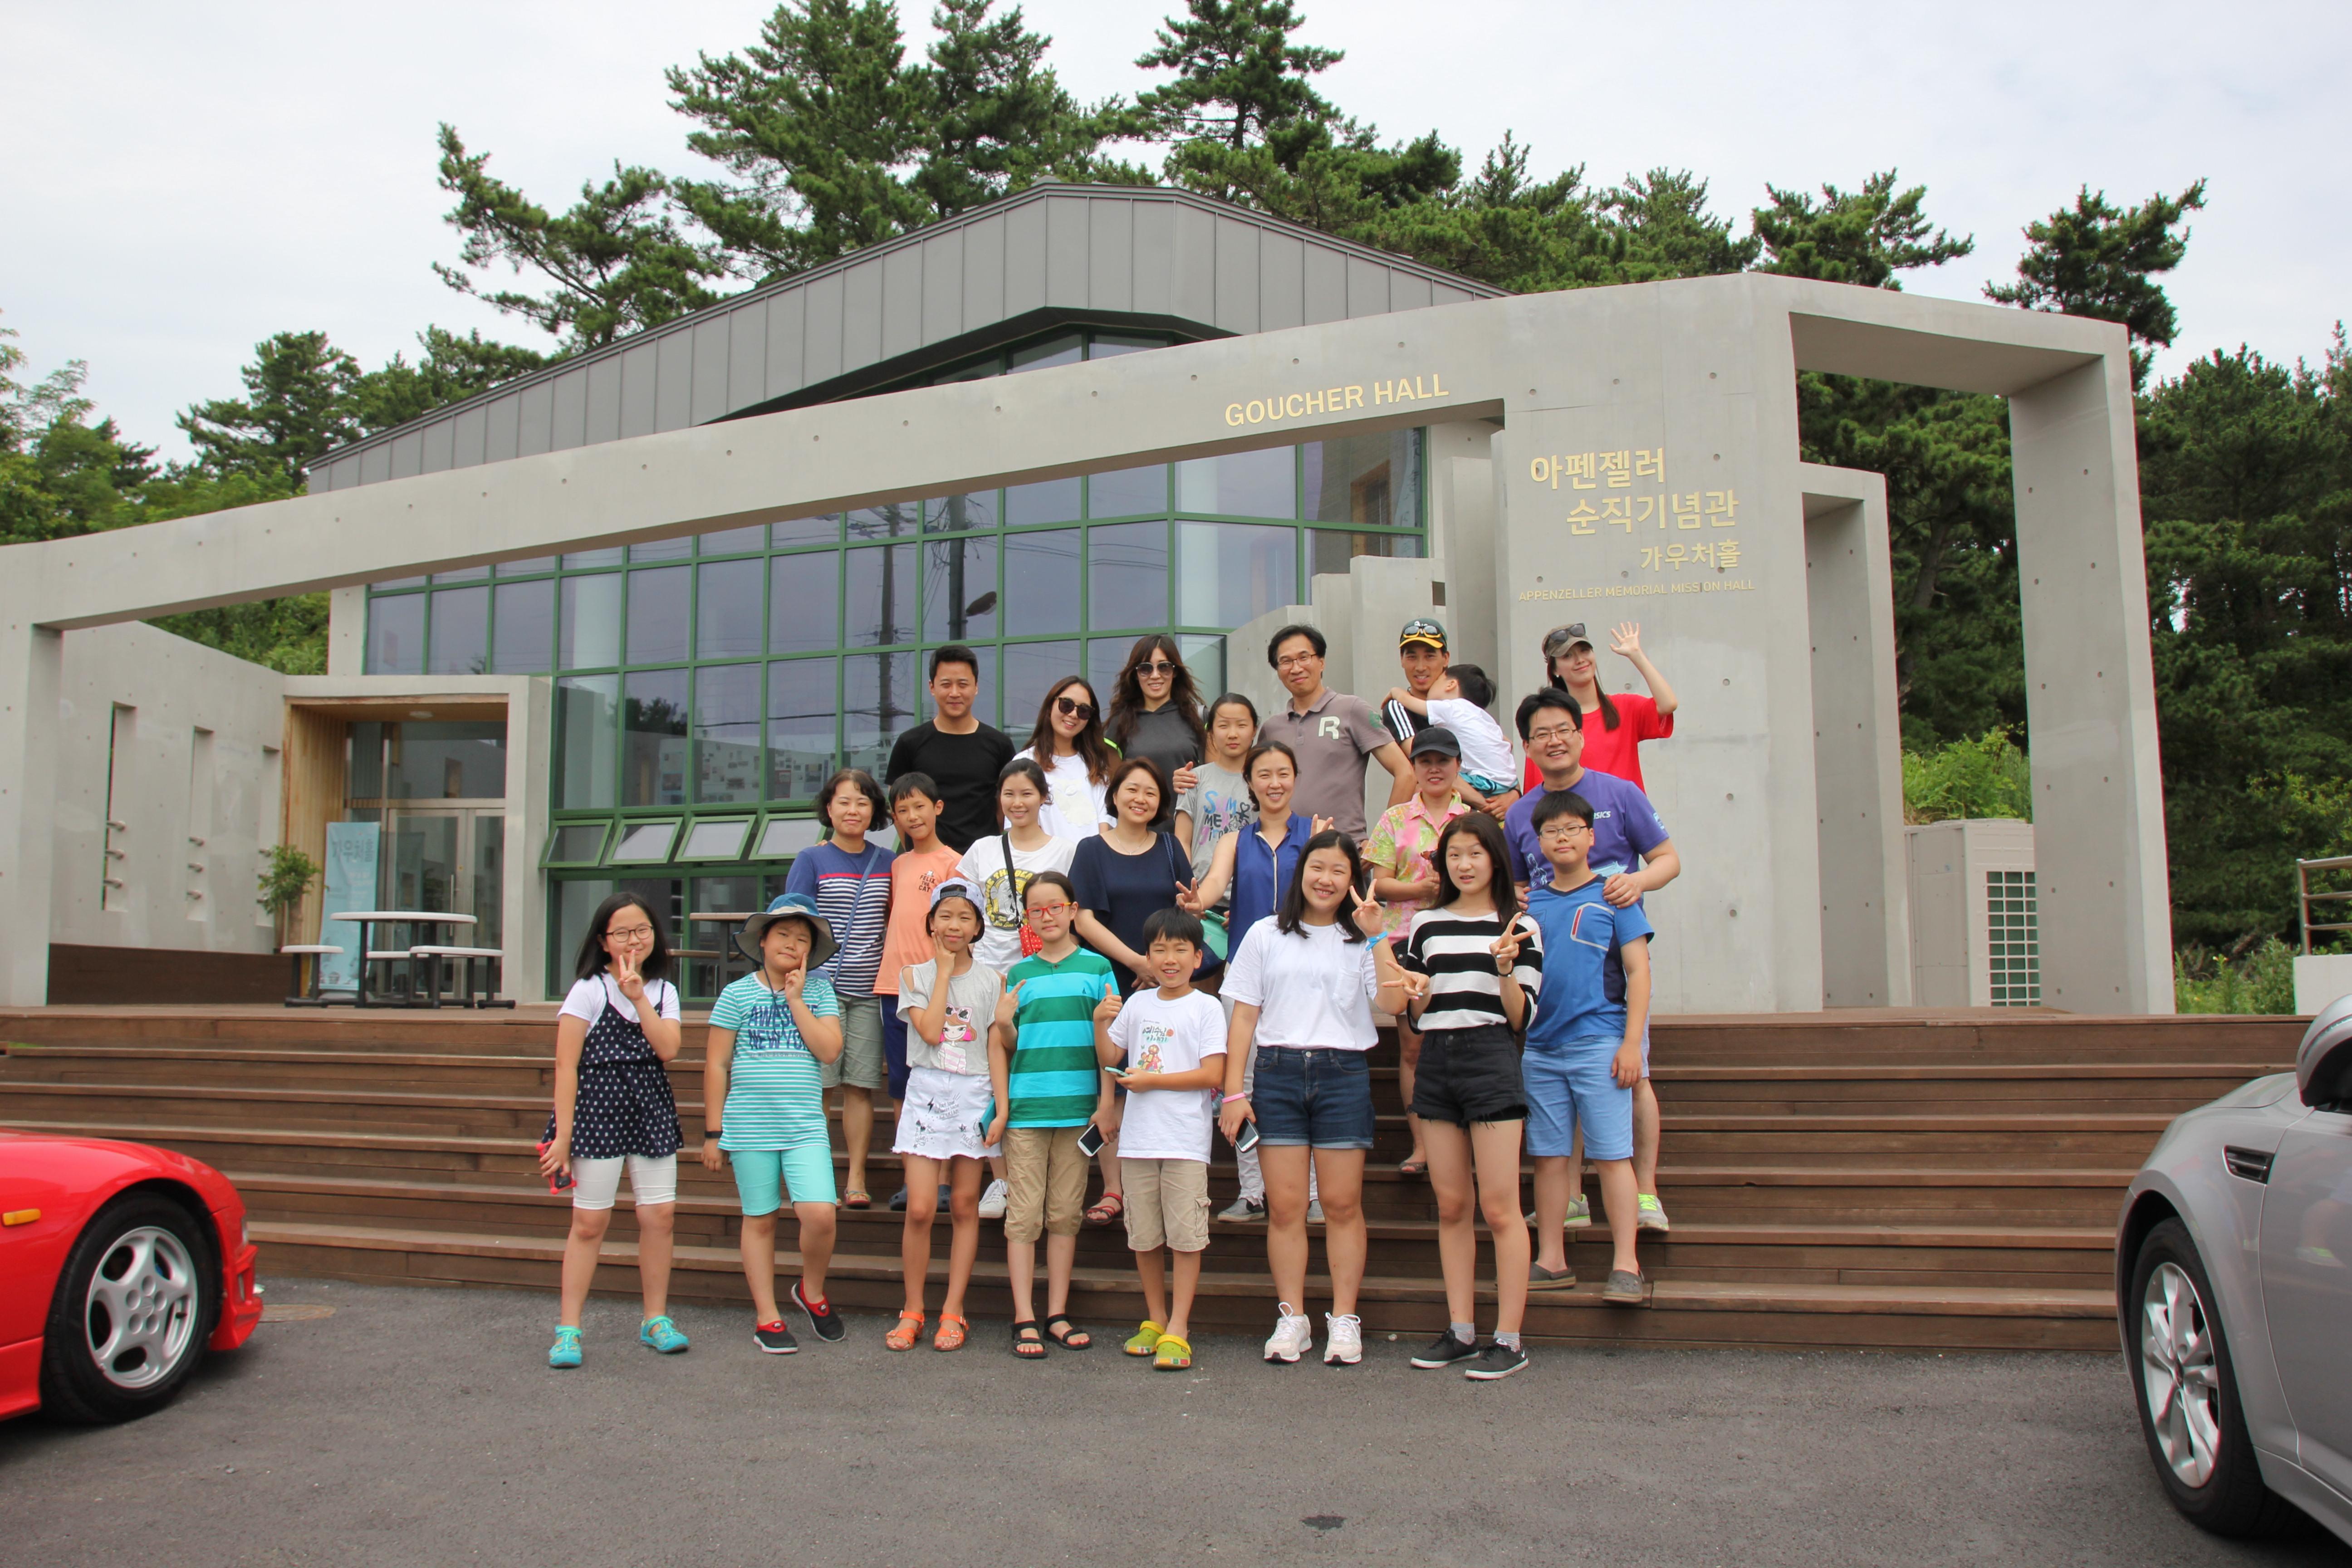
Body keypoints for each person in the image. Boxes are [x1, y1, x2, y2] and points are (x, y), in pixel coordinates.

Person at [1217, 830, 1409, 1366]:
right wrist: (1233, 1092)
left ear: (1353, 880)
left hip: (1342, 1073)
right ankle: (1292, 1318)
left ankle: (1344, 1319)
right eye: (1317, 868)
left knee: (1342, 1205)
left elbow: (1394, 1003)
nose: (1326, 880)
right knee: (1285, 1208)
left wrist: (1378, 935)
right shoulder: (1264, 934)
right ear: (1302, 873)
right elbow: (1244, 1018)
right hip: (1277, 1072)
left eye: (1339, 871)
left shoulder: (1361, 937)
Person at [1504, 687, 1680, 1234]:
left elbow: (1668, 859)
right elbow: (1518, 882)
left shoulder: (1620, 793)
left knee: (1633, 1074)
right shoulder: (1521, 814)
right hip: (1553, 971)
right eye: (1541, 734)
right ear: (1527, 747)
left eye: (1563, 730)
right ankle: (1573, 1197)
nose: (1554, 741)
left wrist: (1636, 883)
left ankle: (1646, 1192)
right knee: (1564, 1079)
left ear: (1580, 737)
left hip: (1614, 957)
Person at [1393, 813, 1545, 1379]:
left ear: (1496, 860)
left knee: (1501, 1207)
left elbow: (1522, 1017)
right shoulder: (1426, 925)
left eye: (1476, 854)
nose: (1464, 864)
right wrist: (1414, 991)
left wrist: (1504, 968)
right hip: (1436, 1060)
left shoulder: (1520, 925)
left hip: (1491, 1057)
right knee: (1453, 1205)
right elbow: (1415, 1010)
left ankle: (1509, 1339)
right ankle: (1461, 1331)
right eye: (1454, 855)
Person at [539, 893, 688, 1369]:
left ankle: (655, 1320)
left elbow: (669, 1050)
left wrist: (639, 996)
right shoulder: (588, 990)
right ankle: (568, 1330)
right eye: (621, 933)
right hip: (596, 1109)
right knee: (589, 1223)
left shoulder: (663, 991)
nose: (633, 940)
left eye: (642, 930)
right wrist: (563, 1136)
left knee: (659, 1216)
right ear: (604, 942)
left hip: (650, 1107)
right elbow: (566, 1066)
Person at [1518, 790, 1652, 1306]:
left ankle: (1626, 1265)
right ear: (1539, 842)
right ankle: (1551, 1259)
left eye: (1573, 828)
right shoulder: (1531, 905)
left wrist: (1632, 1044)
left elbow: (1639, 972)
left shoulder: (1616, 895)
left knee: (1613, 1156)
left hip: (1600, 1042)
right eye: (1552, 831)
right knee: (1549, 1159)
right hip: (1540, 1047)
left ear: (1591, 836)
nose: (1563, 838)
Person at [701, 893, 848, 1353]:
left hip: (805, 1126)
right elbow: (716, 1064)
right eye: (783, 934)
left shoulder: (820, 992)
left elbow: (830, 1051)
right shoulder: (736, 994)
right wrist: (712, 1133)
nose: (791, 944)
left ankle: (812, 1291)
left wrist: (796, 999)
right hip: (749, 1126)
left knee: (820, 1214)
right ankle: (767, 1316)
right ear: (762, 941)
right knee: (760, 1218)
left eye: (802, 939)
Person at [1185, 740, 1323, 1221]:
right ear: (1249, 782)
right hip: (1246, 976)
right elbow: (1213, 886)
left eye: (1283, 773)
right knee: (1240, 1081)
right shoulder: (1235, 840)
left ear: (1295, 778)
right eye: (1264, 774)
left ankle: (1312, 1193)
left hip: (1306, 972)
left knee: (1306, 1079)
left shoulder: (1315, 832)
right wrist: (1197, 903)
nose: (1274, 783)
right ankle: (1252, 1192)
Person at [989, 872, 1117, 1357]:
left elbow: (1112, 1043)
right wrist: (1004, 1023)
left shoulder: (1098, 967)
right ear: (1027, 917)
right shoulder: (1018, 974)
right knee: (1023, 1216)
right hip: (1027, 1109)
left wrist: (1106, 1102)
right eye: (1036, 910)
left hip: (1079, 1109)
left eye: (1055, 907)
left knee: (1065, 1213)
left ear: (1072, 910)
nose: (1047, 917)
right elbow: (1010, 1044)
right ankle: (1024, 1316)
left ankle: (1057, 1313)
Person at [1098, 907, 1226, 1372]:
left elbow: (1213, 1074)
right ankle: (1154, 1318)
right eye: (1160, 950)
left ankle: (1179, 1326)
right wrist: (1099, 1021)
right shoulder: (1137, 1004)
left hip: (1185, 1142)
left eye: (1180, 950)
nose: (1170, 959)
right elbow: (1111, 1056)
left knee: (1186, 1238)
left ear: (1198, 957)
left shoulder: (1207, 1007)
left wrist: (1153, 1081)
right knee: (1145, 1237)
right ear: (1148, 957)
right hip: (1137, 1141)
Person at [956, 758, 1076, 1219]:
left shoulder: (1065, 851)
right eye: (1009, 794)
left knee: (1036, 1067)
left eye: (1027, 793)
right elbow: (963, 909)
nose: (1018, 802)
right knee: (992, 1076)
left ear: (1043, 797)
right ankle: (1002, 1180)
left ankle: (1042, 1175)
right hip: (990, 976)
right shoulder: (983, 849)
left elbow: (1074, 914)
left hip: (1043, 975)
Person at [887, 878, 1002, 1353]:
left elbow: (995, 1047)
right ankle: (912, 1309)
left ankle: (954, 1310)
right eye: (946, 916)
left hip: (974, 1092)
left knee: (964, 1204)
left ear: (978, 927)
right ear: (931, 922)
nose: (955, 925)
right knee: (920, 1207)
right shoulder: (913, 975)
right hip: (927, 1091)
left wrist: (1002, 1107)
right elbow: (932, 1032)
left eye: (965, 917)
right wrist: (942, 973)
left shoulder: (993, 980)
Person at [1363, 726, 1474, 1179]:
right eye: (1425, 761)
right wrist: (1420, 889)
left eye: (1443, 761)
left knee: (1459, 1042)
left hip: (1462, 940)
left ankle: (1462, 1139)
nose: (1434, 769)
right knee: (1412, 1046)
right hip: (1405, 942)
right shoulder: (1394, 818)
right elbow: (1378, 883)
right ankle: (1422, 1144)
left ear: (1458, 766)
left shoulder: (1472, 821)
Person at [788, 768, 894, 1210]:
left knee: (860, 1086)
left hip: (869, 990)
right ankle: (816, 1177)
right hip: (820, 991)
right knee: (821, 1087)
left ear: (875, 811)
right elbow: (794, 924)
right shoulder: (811, 860)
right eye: (844, 802)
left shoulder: (889, 862)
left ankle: (856, 1179)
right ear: (828, 809)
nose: (853, 810)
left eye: (862, 802)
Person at [875, 773, 963, 1211]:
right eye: (902, 810)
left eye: (919, 807)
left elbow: (957, 925)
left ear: (938, 808)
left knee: (942, 1081)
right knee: (902, 1084)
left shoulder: (954, 863)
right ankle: (914, 1178)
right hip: (894, 985)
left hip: (937, 987)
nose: (912, 817)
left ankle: (943, 1180)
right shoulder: (897, 865)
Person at [1260, 623, 1408, 842]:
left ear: (1322, 662)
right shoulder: (1272, 728)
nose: (1296, 668)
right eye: (1286, 661)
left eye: (1304, 657)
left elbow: (1406, 773)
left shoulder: (1352, 709)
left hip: (1342, 850)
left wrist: (1382, 844)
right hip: (1282, 850)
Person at [1520, 621, 1679, 794]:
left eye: (1585, 651)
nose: (1580, 660)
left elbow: (1668, 704)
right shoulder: (1547, 725)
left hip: (1624, 810)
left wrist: (1637, 655)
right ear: (1555, 670)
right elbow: (1536, 792)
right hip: (1571, 811)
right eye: (1568, 656)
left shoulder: (1624, 707)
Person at [886, 644, 1016, 853]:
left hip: (983, 861)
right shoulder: (909, 743)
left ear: (976, 687)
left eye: (963, 684)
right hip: (927, 861)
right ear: (932, 687)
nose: (955, 693)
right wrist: (915, 852)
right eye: (946, 685)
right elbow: (897, 805)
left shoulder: (1000, 744)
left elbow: (1003, 807)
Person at [1381, 618, 1503, 813]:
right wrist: (1486, 805)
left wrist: (1512, 794)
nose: (1421, 667)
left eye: (1430, 656)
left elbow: (1498, 751)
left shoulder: (1462, 704)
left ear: (1446, 659)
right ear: (1402, 660)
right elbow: (1430, 765)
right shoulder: (1398, 707)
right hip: (1432, 816)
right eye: (1412, 657)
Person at [1104, 633, 1206, 833]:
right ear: (1135, 674)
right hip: (1138, 837)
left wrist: (1195, 779)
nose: (1155, 675)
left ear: (1175, 672)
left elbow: (1216, 779)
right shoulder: (1119, 724)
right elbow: (1116, 789)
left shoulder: (1199, 718)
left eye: (1164, 667)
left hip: (1191, 836)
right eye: (1146, 669)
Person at [1382, 666, 1516, 800]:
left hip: (1483, 782)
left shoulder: (1451, 708)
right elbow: (1508, 744)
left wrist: (1396, 692)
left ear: (1451, 685)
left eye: (1438, 681)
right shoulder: (1483, 716)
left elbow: (1408, 702)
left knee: (1432, 780)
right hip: (1509, 783)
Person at [1014, 675, 1116, 843]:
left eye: (1084, 711)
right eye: (1066, 705)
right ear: (1050, 706)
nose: (1074, 714)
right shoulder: (1024, 764)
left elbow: (1105, 827)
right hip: (1042, 858)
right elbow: (1020, 826)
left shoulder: (1097, 765)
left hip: (1091, 858)